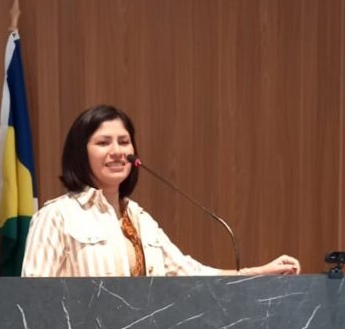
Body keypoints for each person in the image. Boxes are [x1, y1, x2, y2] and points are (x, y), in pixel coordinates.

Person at [21, 105, 300, 278]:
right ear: (80, 153)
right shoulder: (57, 216)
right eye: (103, 143)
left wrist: (259, 273)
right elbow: (33, 299)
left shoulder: (140, 219)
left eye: (124, 142)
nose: (117, 151)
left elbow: (188, 273)